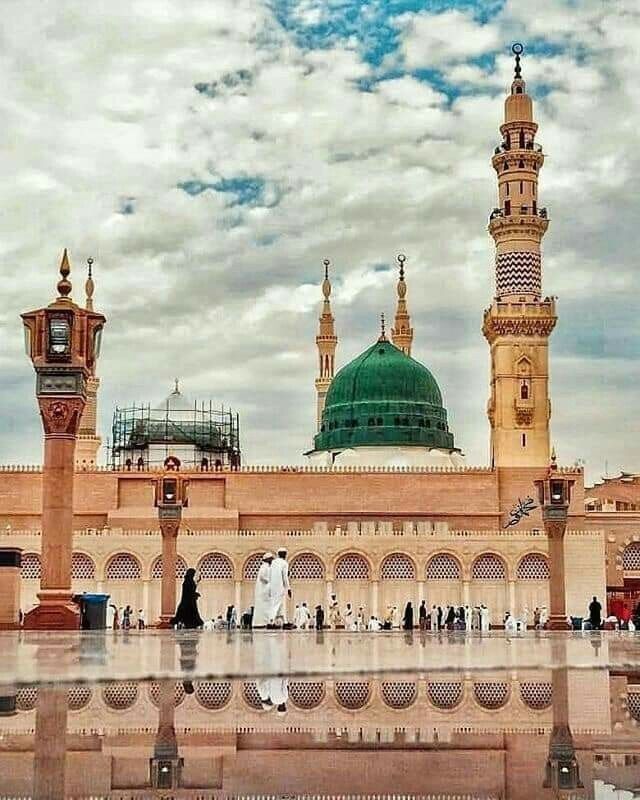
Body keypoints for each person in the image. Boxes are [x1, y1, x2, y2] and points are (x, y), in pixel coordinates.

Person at [269, 548, 291, 626]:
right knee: (276, 605)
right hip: (279, 587)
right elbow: (285, 577)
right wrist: (288, 588)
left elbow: (270, 575)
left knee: (280, 605)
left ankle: (285, 622)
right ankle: (270, 622)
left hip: (272, 586)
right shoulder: (284, 563)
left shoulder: (273, 563)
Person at [253, 553, 274, 628]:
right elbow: (262, 577)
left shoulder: (267, 567)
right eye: (271, 558)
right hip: (263, 590)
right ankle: (263, 623)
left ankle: (267, 622)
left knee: (267, 607)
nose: (272, 560)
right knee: (264, 608)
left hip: (265, 590)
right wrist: (269, 581)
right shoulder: (264, 567)